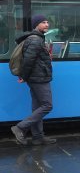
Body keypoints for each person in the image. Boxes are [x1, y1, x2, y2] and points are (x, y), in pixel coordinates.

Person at [11, 15, 56, 146]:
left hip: (37, 76)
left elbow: (34, 59)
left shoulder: (38, 38)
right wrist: (24, 76)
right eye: (43, 22)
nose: (47, 24)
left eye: (48, 22)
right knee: (47, 105)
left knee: (37, 106)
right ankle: (20, 127)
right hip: (38, 78)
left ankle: (37, 136)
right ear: (36, 25)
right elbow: (28, 60)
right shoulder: (36, 40)